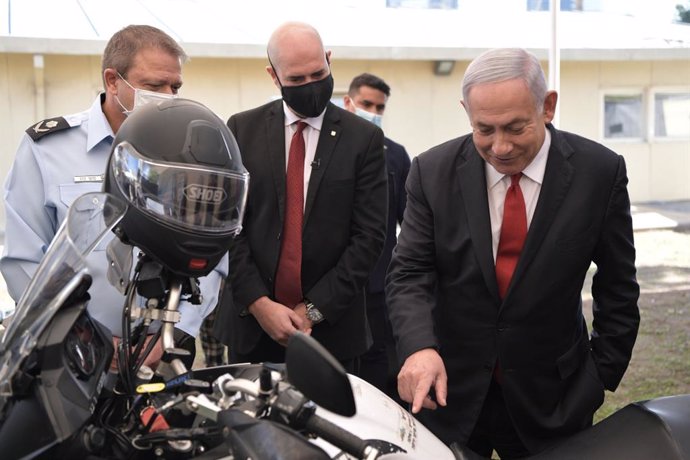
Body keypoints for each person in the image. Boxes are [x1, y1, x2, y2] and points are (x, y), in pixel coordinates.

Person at [386, 48, 640, 458]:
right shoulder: (431, 172)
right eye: (484, 129)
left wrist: (598, 377)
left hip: (555, 398)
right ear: (466, 111)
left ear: (548, 107)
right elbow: (409, 273)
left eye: (515, 127)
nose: (500, 147)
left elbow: (619, 286)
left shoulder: (599, 172)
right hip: (451, 393)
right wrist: (419, 347)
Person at [0, 25, 226, 364]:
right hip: (71, 356)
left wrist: (174, 334)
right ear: (112, 80)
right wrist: (83, 338)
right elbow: (24, 260)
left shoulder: (192, 153)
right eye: (153, 85)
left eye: (175, 86)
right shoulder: (48, 149)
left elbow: (211, 255)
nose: (168, 95)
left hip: (163, 351)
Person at [213, 22, 387, 372]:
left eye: (318, 73)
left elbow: (369, 237)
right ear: (273, 76)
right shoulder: (240, 129)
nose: (310, 86)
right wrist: (260, 304)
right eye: (296, 79)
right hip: (252, 330)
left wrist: (312, 309)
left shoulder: (363, 139)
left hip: (331, 335)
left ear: (328, 59)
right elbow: (227, 227)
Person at [343, 73, 410, 398]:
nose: (373, 111)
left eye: (379, 107)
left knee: (379, 367)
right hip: (333, 288)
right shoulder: (325, 154)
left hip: (380, 287)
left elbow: (410, 223)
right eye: (367, 104)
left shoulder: (395, 156)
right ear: (348, 102)